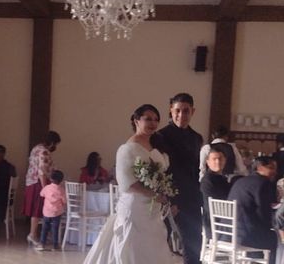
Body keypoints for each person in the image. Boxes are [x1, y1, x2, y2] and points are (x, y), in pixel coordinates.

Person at [84, 104, 173, 264]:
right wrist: (154, 194)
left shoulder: (155, 145)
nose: (153, 123)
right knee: (133, 247)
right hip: (135, 207)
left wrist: (162, 189)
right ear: (136, 120)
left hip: (152, 210)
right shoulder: (127, 149)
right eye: (148, 119)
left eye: (156, 120)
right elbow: (127, 184)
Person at [154, 92, 204, 264]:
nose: (181, 115)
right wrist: (170, 199)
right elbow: (160, 171)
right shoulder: (160, 136)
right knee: (160, 242)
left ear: (193, 112)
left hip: (191, 198)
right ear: (171, 110)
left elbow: (196, 170)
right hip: (168, 197)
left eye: (186, 111)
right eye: (177, 110)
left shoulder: (197, 138)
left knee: (193, 243)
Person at [227, 156, 278, 264]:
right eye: (271, 167)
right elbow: (263, 213)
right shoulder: (263, 183)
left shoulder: (241, 181)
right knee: (275, 238)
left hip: (231, 233)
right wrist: (275, 226)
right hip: (246, 236)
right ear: (259, 167)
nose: (274, 171)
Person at [23, 130, 61, 246]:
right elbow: (41, 171)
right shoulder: (44, 152)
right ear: (52, 142)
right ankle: (33, 234)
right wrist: (45, 189)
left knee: (37, 210)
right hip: (38, 183)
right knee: (37, 210)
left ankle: (35, 234)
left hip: (31, 181)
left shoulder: (36, 148)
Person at [200, 145, 231, 239]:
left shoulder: (223, 179)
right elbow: (212, 207)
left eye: (220, 159)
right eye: (214, 159)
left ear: (225, 161)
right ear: (207, 162)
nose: (218, 162)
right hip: (215, 226)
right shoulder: (207, 181)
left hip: (224, 222)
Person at [36, 169, 66, 251]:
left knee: (44, 228)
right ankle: (55, 245)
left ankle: (42, 244)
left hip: (46, 212)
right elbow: (64, 201)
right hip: (57, 212)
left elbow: (41, 194)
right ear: (61, 180)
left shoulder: (47, 188)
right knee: (55, 229)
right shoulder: (61, 190)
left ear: (51, 179)